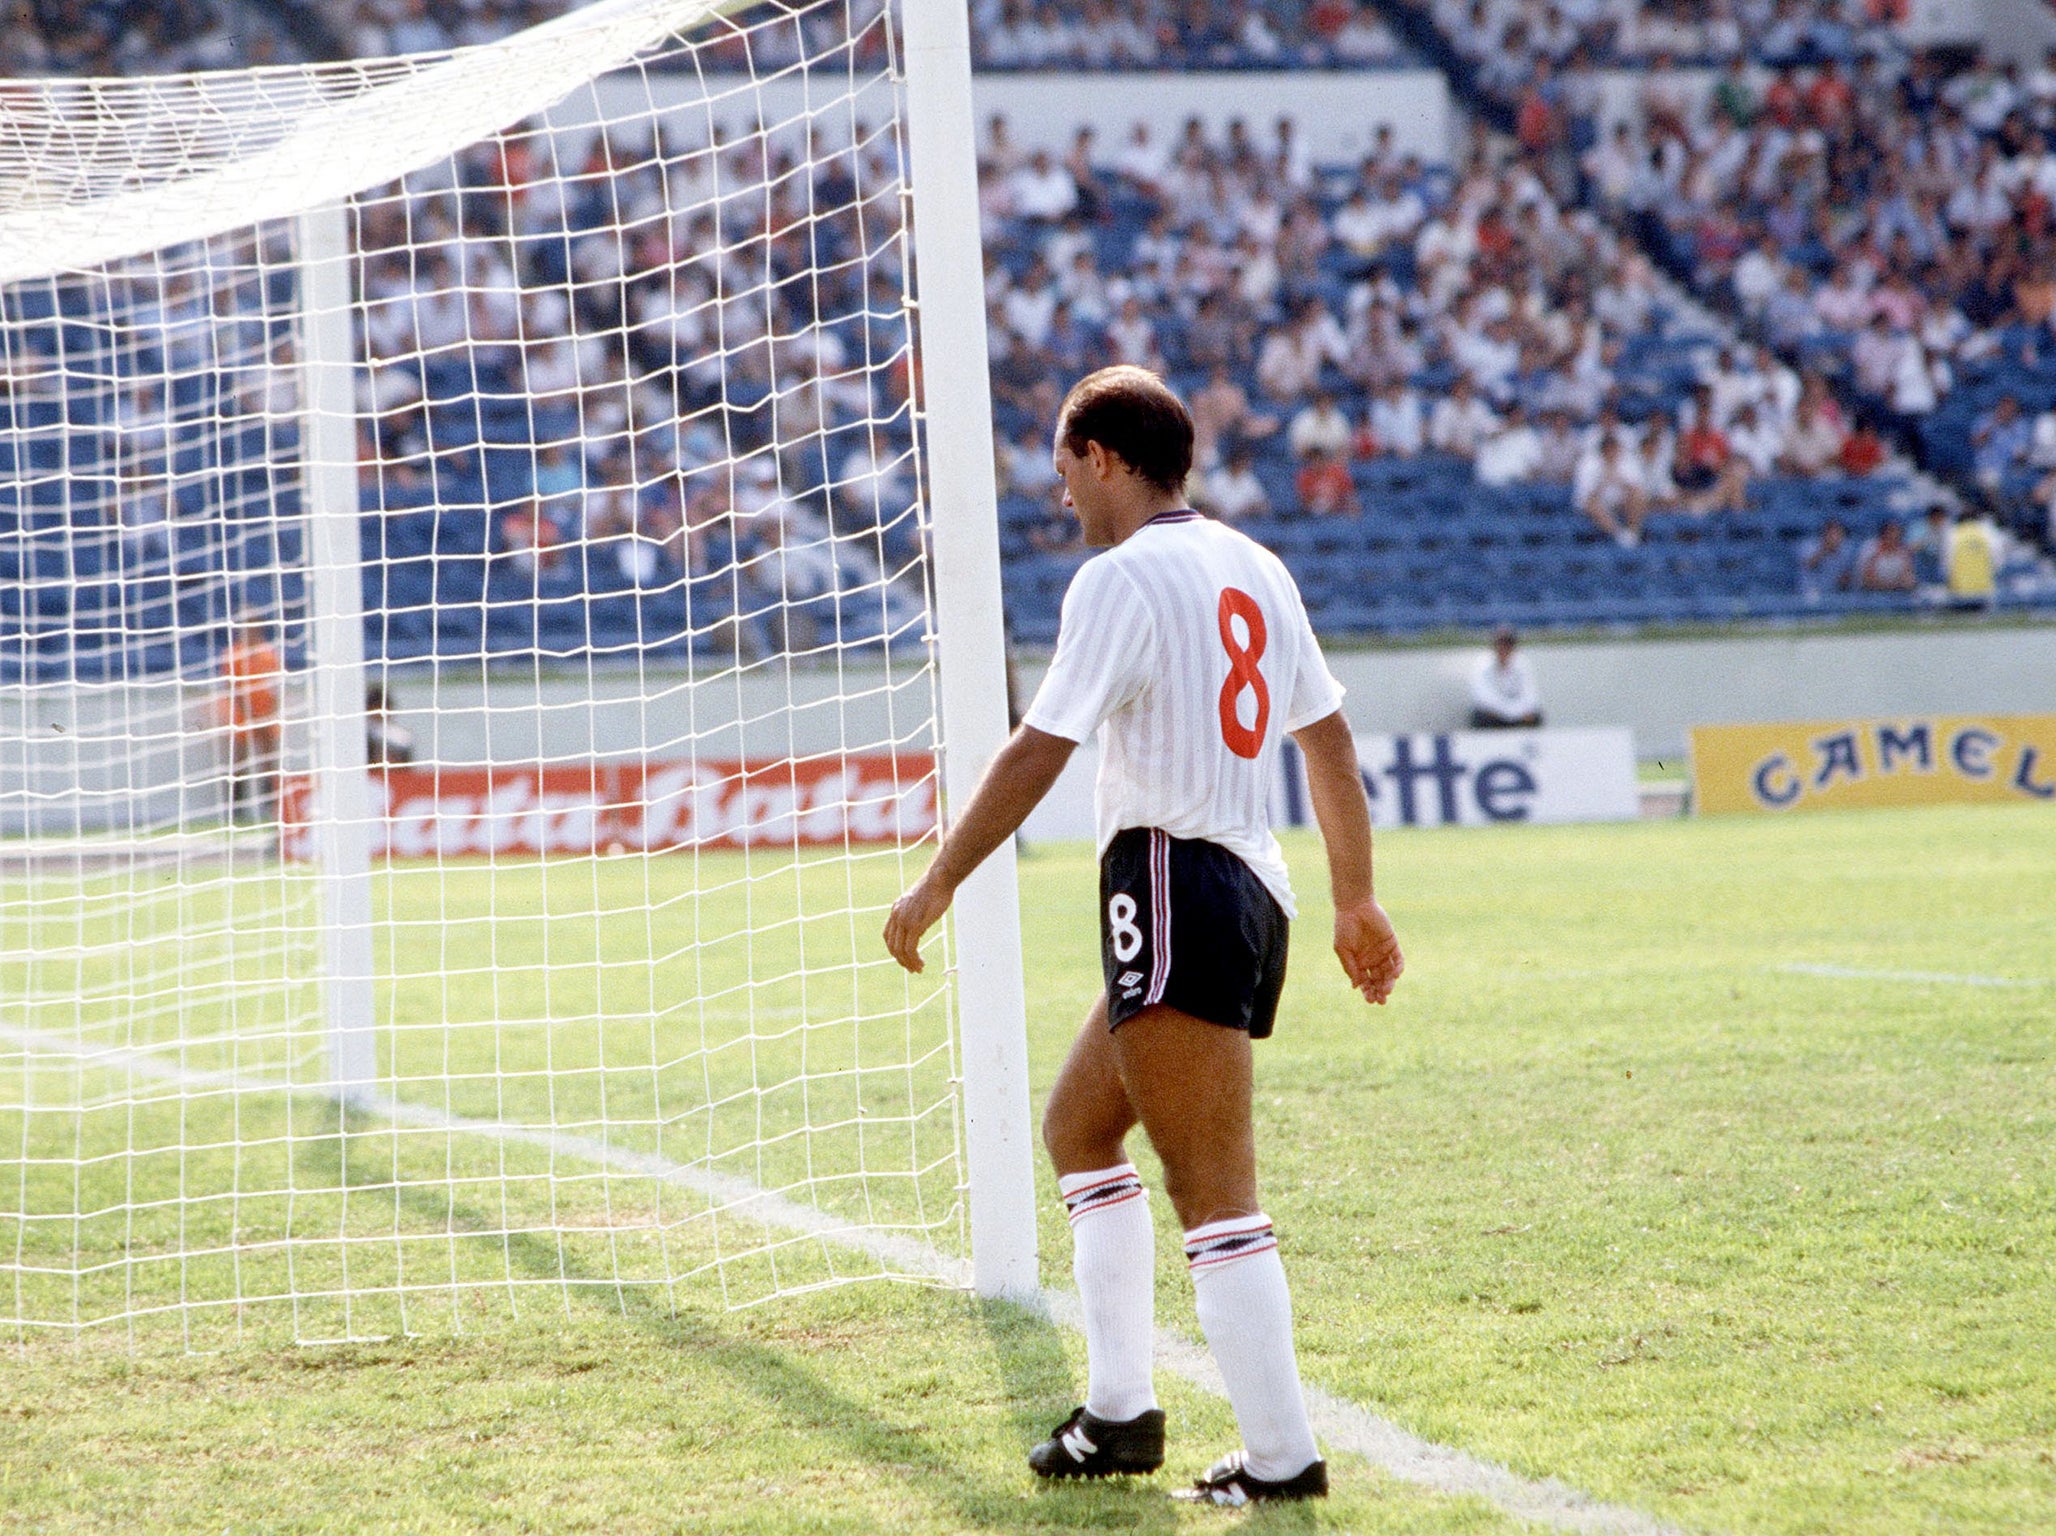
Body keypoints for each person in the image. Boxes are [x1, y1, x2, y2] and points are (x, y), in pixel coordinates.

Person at [882, 366, 1402, 1506]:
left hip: (1174, 876)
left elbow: (1035, 750)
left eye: (1064, 462)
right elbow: (1329, 744)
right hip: (1241, 888)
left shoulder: (1119, 580)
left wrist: (936, 884)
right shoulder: (1253, 565)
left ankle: (1281, 1459)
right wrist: (1353, 898)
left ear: (1103, 456)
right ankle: (1119, 1416)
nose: (1059, 487)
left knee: (1213, 1191)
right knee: (1077, 1129)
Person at [217, 611, 283, 824]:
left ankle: (271, 806)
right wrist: (250, 713)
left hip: (266, 715)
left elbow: (275, 687)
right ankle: (235, 809)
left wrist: (269, 712)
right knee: (240, 762)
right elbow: (231, 687)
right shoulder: (233, 653)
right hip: (242, 715)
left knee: (269, 761)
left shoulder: (268, 653)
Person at [1468, 626, 1543, 729]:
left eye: (1508, 645)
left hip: (1515, 713)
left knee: (1536, 716)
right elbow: (1483, 698)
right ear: (1494, 646)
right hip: (1494, 714)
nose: (1504, 648)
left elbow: (1530, 695)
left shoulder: (1522, 663)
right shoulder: (1482, 664)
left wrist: (1518, 712)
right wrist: (1510, 713)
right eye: (1500, 644)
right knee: (1481, 716)